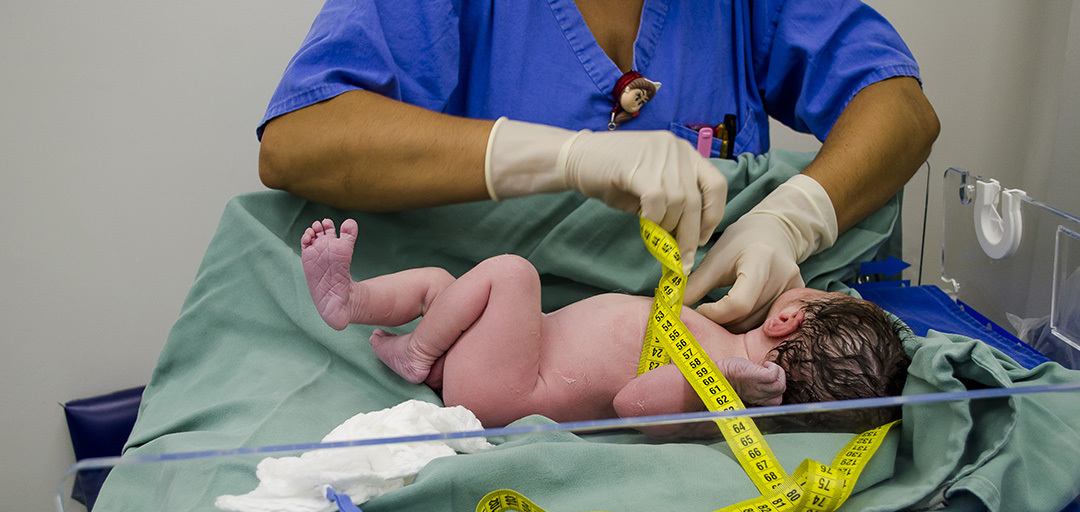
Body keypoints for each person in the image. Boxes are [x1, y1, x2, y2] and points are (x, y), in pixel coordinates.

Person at [259, 1, 939, 331]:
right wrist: (562, 156)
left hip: (708, 347)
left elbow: (900, 110)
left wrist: (793, 218)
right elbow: (301, 140)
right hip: (486, 355)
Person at [301, 218, 910, 432]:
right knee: (442, 286)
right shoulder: (715, 345)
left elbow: (634, 401)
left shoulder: (720, 386)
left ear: (786, 317)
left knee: (511, 275)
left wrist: (718, 383)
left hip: (508, 388)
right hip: (508, 353)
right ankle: (350, 300)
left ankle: (415, 354)